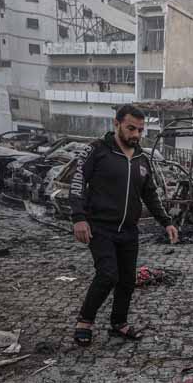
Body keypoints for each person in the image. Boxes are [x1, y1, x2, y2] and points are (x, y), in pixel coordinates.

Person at [69, 104, 178, 346]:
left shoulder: (141, 158)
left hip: (129, 230)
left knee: (127, 280)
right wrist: (79, 217)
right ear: (116, 124)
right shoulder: (96, 150)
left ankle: (119, 323)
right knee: (108, 274)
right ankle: (84, 321)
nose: (136, 135)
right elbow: (77, 183)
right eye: (131, 128)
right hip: (100, 227)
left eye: (140, 130)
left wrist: (166, 222)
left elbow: (150, 194)